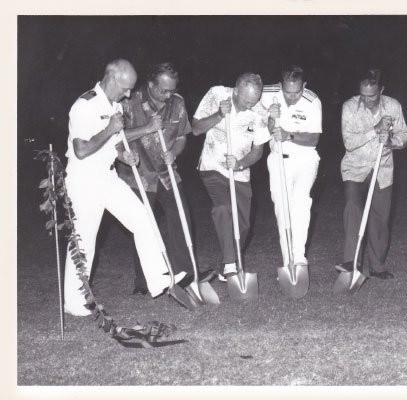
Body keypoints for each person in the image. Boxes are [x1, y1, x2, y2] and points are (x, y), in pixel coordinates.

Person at [63, 59, 186, 316]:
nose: (129, 93)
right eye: (127, 88)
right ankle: (75, 303)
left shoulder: (115, 105)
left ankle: (158, 279)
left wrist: (124, 157)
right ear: (113, 79)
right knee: (85, 239)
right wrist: (110, 129)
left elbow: (116, 145)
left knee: (143, 218)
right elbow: (82, 150)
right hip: (84, 180)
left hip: (108, 178)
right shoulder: (84, 105)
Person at [116, 62, 203, 295]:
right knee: (144, 225)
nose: (168, 95)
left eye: (172, 90)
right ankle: (143, 281)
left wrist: (174, 152)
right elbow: (115, 137)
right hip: (138, 175)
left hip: (166, 174)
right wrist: (147, 128)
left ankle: (186, 273)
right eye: (163, 90)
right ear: (151, 84)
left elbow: (183, 136)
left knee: (181, 217)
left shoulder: (178, 102)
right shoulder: (128, 101)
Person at [192, 73, 270, 281]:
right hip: (212, 166)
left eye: (254, 101)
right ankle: (229, 265)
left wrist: (241, 163)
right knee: (224, 208)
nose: (250, 106)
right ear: (235, 91)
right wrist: (219, 114)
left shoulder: (259, 111)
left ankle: (229, 260)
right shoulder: (216, 93)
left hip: (240, 172)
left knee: (243, 225)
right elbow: (196, 128)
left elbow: (258, 150)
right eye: (246, 101)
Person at [337, 68, 407, 279]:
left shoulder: (393, 106)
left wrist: (390, 141)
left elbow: (404, 136)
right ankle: (351, 262)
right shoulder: (349, 107)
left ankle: (377, 267)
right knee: (353, 209)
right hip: (354, 168)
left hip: (382, 170)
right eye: (363, 95)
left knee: (380, 218)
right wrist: (375, 130)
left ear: (381, 90)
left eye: (372, 96)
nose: (367, 100)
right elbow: (349, 143)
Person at [261, 65, 322, 269]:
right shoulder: (267, 93)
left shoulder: (312, 101)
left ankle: (299, 257)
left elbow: (314, 139)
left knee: (301, 205)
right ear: (280, 86)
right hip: (278, 158)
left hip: (305, 157)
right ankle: (287, 260)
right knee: (282, 208)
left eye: (297, 92)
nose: (292, 97)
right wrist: (270, 117)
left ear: (304, 86)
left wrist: (289, 135)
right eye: (287, 92)